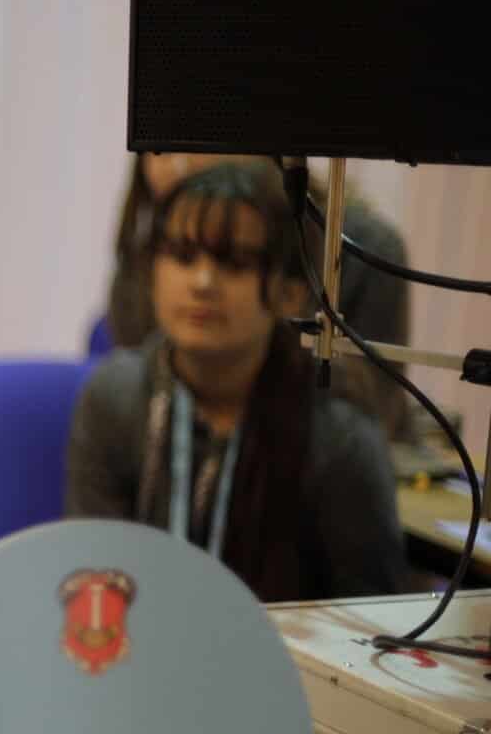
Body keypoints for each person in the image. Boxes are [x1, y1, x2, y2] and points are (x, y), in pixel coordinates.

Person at [66, 160, 406, 602]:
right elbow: (94, 587)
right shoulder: (114, 398)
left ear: (291, 292)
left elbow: (369, 615)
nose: (203, 282)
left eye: (234, 263)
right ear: (153, 274)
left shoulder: (338, 432)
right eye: (183, 255)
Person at [103, 152, 414, 440]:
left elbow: (372, 415)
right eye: (182, 255)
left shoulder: (366, 249)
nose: (179, 165)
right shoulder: (136, 264)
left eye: (236, 262)